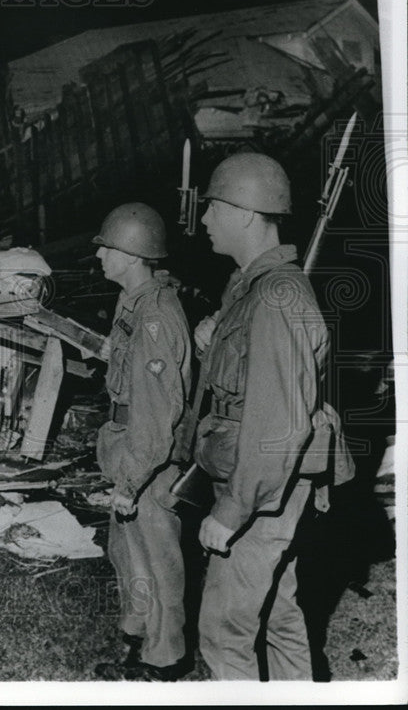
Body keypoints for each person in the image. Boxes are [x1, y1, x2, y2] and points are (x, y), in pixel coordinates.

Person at [190, 153, 328, 680]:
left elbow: (277, 427)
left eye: (213, 208)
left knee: (225, 636)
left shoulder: (275, 295)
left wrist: (232, 510)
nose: (204, 220)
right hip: (265, 485)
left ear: (246, 213)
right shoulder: (249, 287)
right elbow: (251, 379)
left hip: (261, 489)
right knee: (278, 617)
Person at [91, 203, 193, 682]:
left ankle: (164, 660)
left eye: (106, 248)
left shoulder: (154, 317)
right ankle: (138, 639)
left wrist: (131, 482)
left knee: (156, 560)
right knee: (130, 554)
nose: (99, 257)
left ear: (131, 255)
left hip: (148, 459)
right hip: (129, 445)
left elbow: (156, 416)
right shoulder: (134, 301)